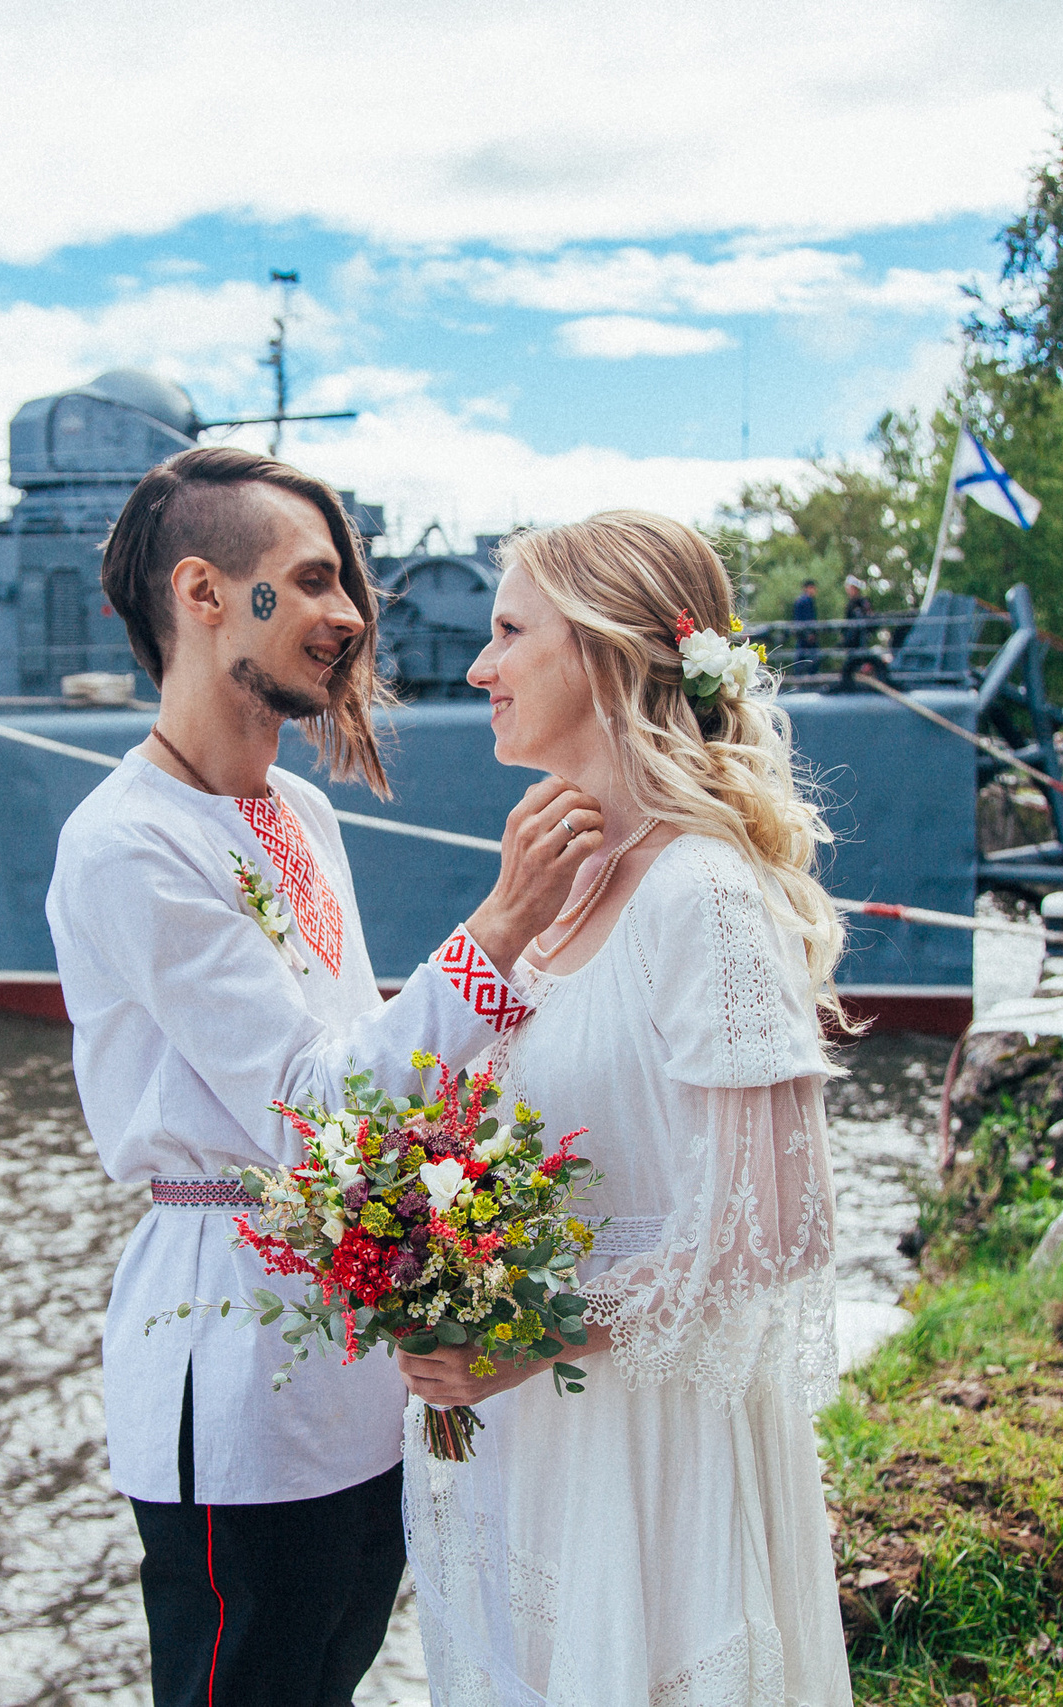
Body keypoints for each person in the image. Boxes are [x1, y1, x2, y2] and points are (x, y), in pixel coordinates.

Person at [46, 445, 604, 1707]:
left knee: (333, 1675)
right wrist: (500, 930)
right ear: (202, 594)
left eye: (343, 582)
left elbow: (363, 1062)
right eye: (309, 583)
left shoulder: (302, 814)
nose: (349, 614)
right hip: (233, 1371)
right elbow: (316, 1107)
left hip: (360, 1350)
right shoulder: (124, 844)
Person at [399, 510, 852, 1705]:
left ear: (601, 654)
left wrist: (532, 1333)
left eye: (507, 632)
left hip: (649, 1452)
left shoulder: (699, 893)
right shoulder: (569, 881)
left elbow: (779, 1229)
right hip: (540, 1440)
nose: (478, 666)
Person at [789, 578, 820, 675]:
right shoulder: (806, 601)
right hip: (806, 634)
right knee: (812, 656)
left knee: (801, 657)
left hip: (802, 633)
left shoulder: (801, 600)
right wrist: (809, 633)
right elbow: (806, 618)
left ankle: (799, 676)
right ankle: (808, 676)